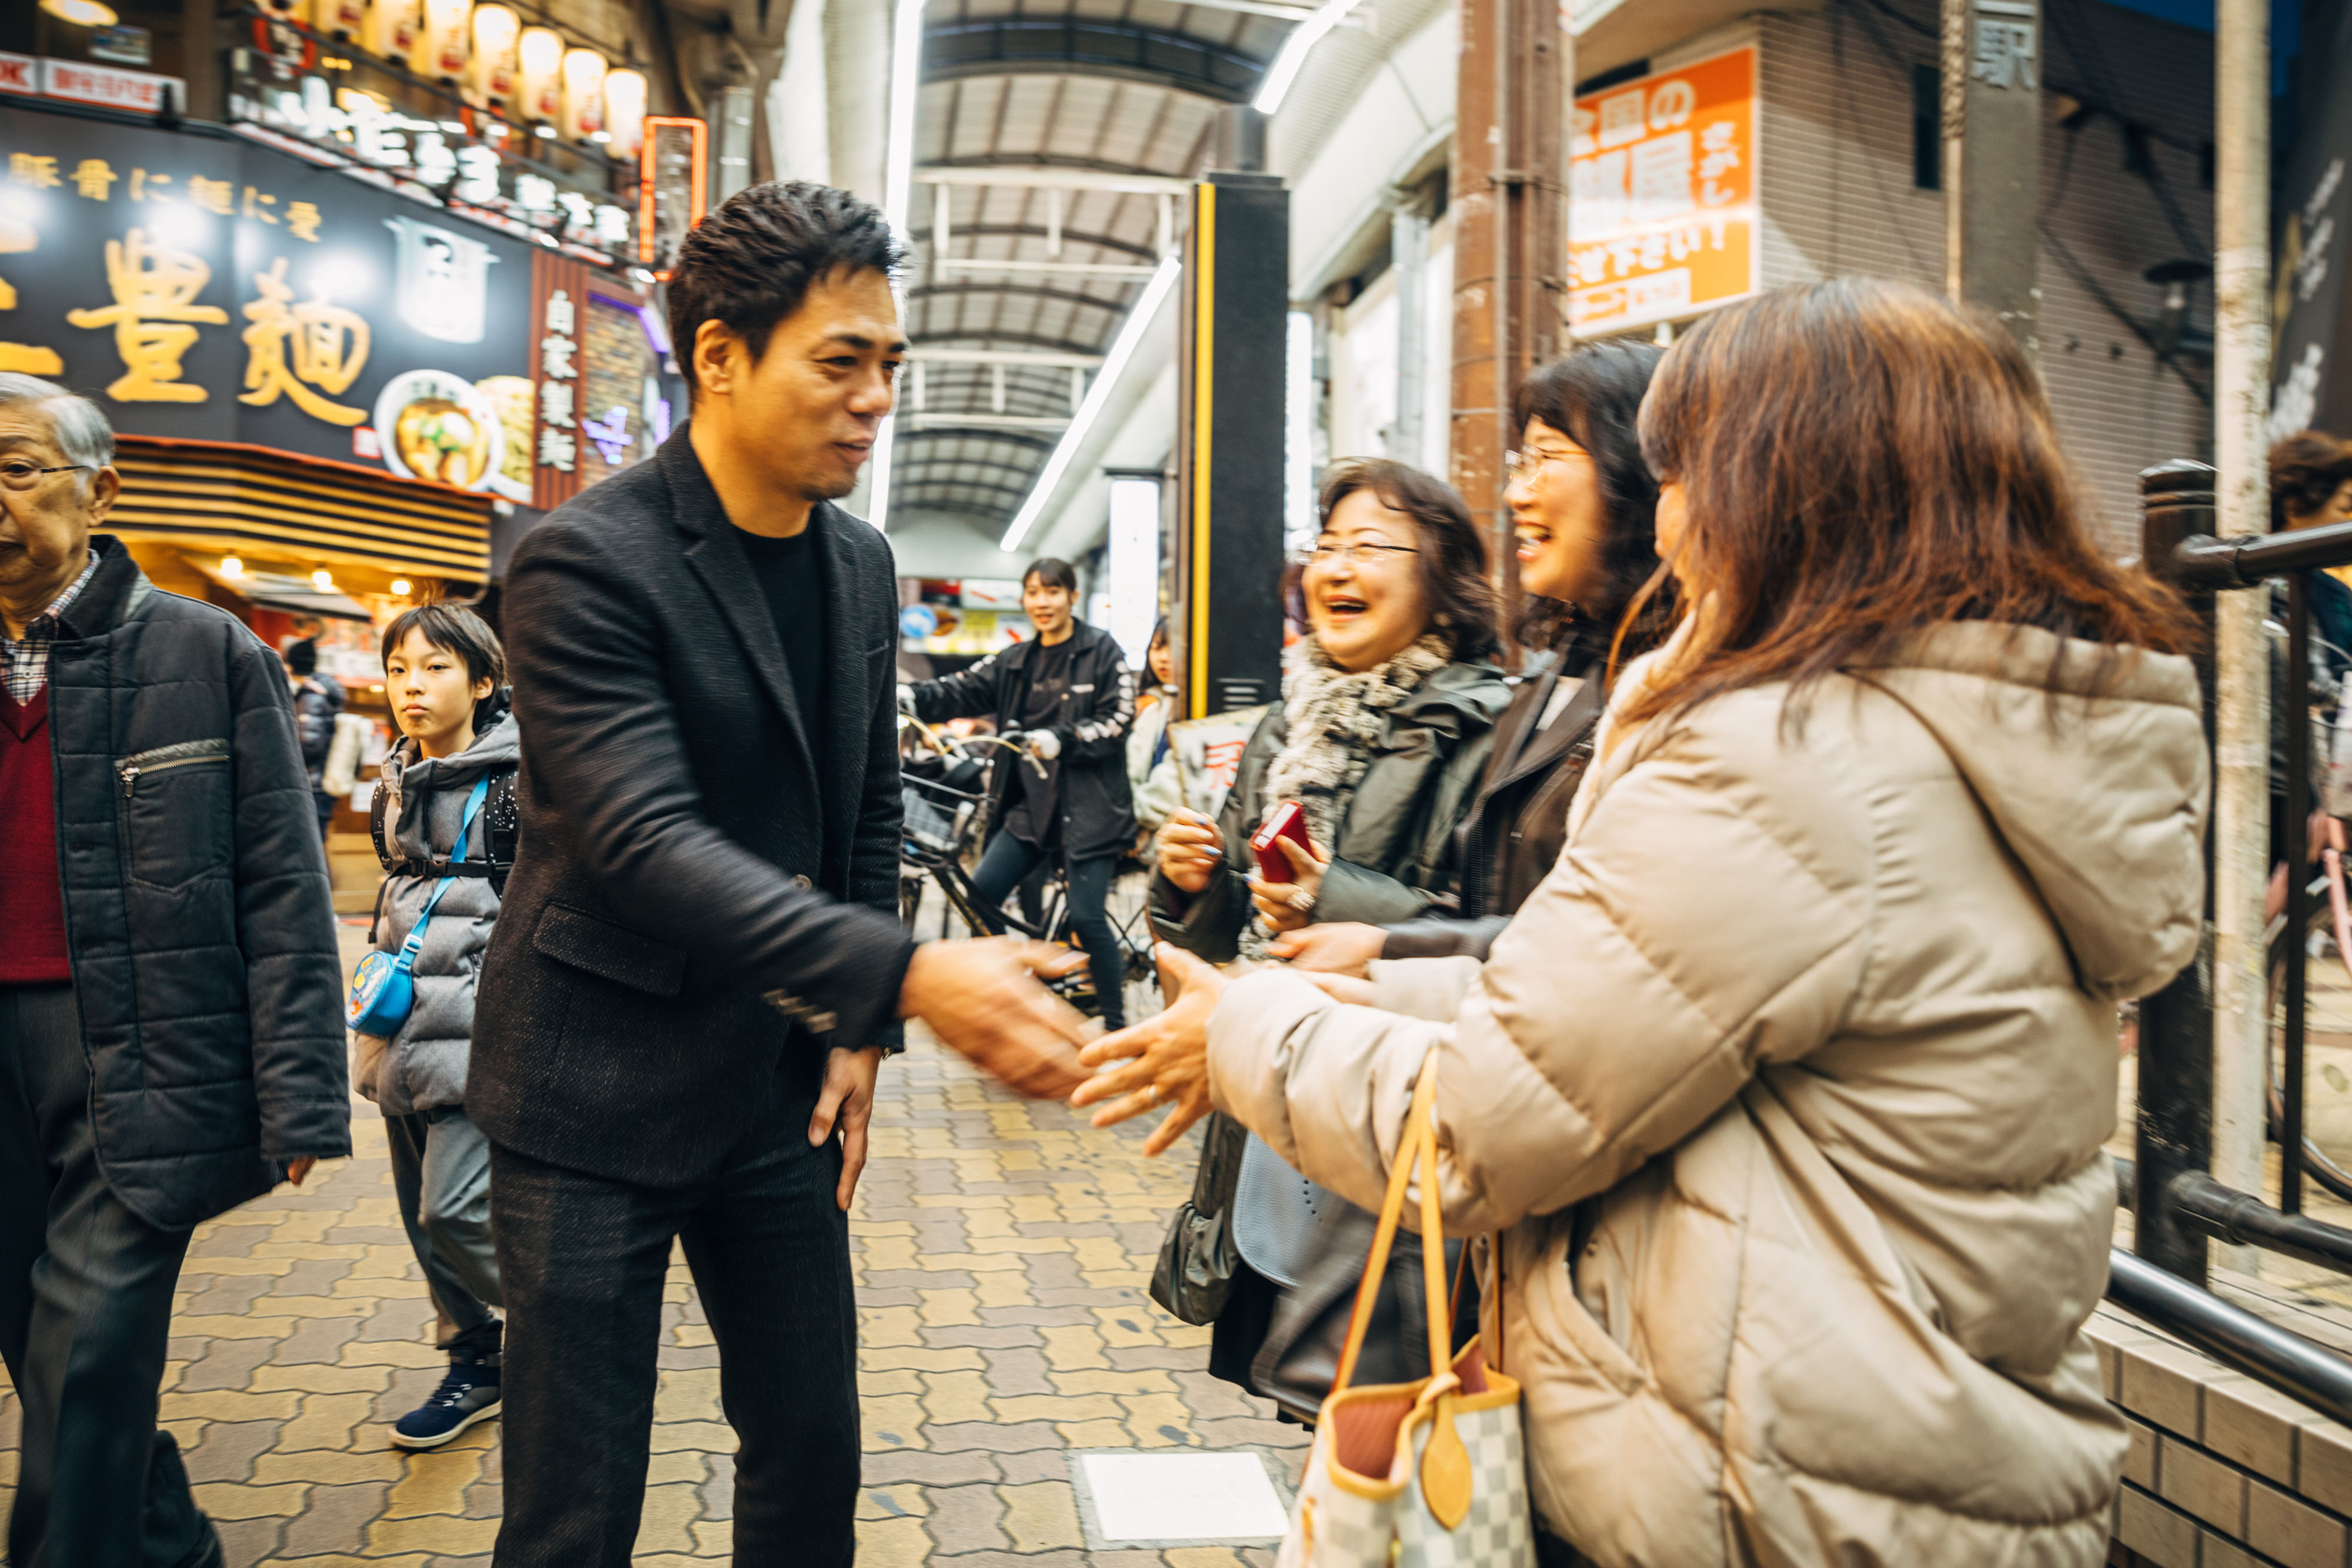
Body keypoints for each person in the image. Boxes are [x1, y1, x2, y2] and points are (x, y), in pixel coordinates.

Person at [1080, 279, 2207, 1566]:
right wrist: (1371, 980)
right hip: (1906, 1439)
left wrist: (1256, 1027)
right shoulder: (1979, 730)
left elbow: (1487, 1119)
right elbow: (1640, 999)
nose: (1666, 514)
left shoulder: (1793, 753)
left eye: (1677, 471)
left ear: (1782, 484)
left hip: (1760, 1483)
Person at [470, 182, 1091, 1568]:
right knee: (575, 1507)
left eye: (890, 365)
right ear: (718, 359)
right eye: (839, 361)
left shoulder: (860, 566)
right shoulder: (583, 560)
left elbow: (862, 807)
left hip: (775, 1093)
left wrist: (859, 1030)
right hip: (587, 1095)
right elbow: (640, 842)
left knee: (810, 1454)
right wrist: (914, 975)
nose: (875, 398)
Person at [0, 372, 350, 1567]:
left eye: (16, 469)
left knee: (88, 1346)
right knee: (45, 1355)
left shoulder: (204, 651)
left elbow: (281, 880)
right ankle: (168, 1538)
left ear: (102, 490)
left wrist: (301, 1087)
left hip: (146, 1049)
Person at [1147, 457, 1508, 1417]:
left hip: (1397, 1101)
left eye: (1373, 546)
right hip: (1277, 1100)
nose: (1338, 568)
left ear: (1442, 573)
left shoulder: (1484, 724)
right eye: (1329, 546)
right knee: (1318, 1390)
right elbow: (1226, 924)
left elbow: (1495, 930)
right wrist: (1184, 884)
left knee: (1402, 1390)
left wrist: (1334, 898)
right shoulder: (1283, 725)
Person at [1271, 341, 1669, 976]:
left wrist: (1371, 936)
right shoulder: (1547, 678)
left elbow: (1620, 944)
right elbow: (1478, 897)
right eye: (1326, 548)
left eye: (1543, 460)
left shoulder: (1678, 685)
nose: (1515, 494)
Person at [356, 603, 517, 1450]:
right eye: (398, 670)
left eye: (435, 667)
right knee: (420, 1217)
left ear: (483, 680)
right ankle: (475, 1359)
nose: (412, 686)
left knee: (449, 1212)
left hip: (485, 1032)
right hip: (400, 1025)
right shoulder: (394, 778)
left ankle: (563, 1324)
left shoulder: (525, 781)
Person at [903, 559, 1138, 1029]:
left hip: (1089, 811)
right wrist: (912, 697)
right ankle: (1011, 1002)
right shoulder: (1016, 661)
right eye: (1033, 592)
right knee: (981, 897)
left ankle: (1116, 1026)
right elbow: (962, 689)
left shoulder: (1101, 650)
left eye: (1052, 591)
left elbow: (1120, 719)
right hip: (1031, 808)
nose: (1042, 602)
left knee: (1087, 917)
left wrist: (1063, 738)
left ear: (1072, 596)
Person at [285, 634, 345, 839]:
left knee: (312, 843)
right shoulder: (317, 692)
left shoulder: (310, 697)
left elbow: (308, 745)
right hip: (317, 783)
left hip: (312, 784)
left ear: (292, 665)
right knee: (316, 841)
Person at [1128, 617, 1180, 841]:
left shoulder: (1196, 705)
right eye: (1157, 647)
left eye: (1173, 647)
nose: (1164, 657)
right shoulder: (1154, 707)